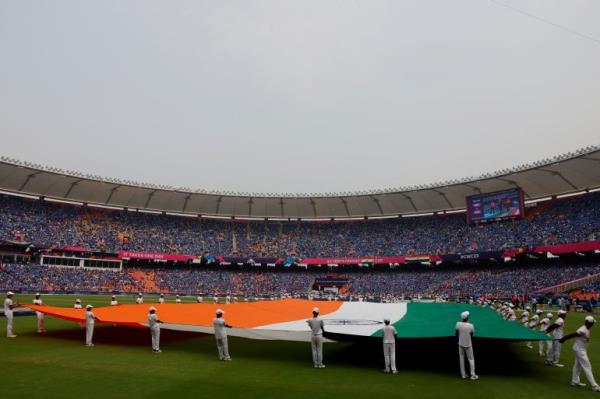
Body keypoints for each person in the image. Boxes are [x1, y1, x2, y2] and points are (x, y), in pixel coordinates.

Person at [560, 316, 600, 391]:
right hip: (580, 350)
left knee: (577, 365)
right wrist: (564, 338)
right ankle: (594, 386)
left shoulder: (587, 328)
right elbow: (574, 334)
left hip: (581, 349)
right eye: (592, 323)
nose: (593, 324)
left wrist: (564, 338)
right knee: (587, 366)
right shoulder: (583, 329)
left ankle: (575, 381)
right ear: (589, 323)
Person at [456, 311, 478, 380]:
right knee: (471, 359)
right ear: (467, 317)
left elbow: (456, 333)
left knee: (461, 359)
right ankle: (472, 374)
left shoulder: (458, 324)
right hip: (468, 344)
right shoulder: (471, 325)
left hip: (460, 343)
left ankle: (463, 375)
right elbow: (471, 334)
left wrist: (459, 340)